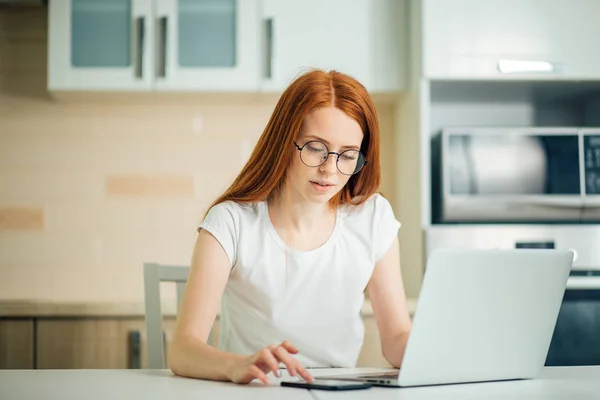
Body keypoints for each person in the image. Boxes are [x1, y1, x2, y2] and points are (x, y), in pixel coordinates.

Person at [169, 69, 412, 385]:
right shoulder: (230, 222)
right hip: (256, 390)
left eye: (348, 155)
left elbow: (396, 338)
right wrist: (235, 365)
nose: (329, 169)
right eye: (314, 148)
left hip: (335, 393)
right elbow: (183, 349)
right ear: (285, 141)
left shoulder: (373, 218)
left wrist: (444, 352)